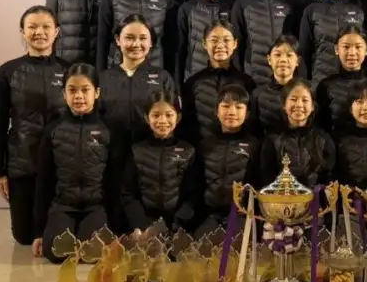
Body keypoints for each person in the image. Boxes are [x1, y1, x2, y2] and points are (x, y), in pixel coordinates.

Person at [0, 6, 66, 248]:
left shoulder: (69, 70)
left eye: (46, 27)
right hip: (23, 164)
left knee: (55, 234)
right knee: (24, 237)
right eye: (32, 27)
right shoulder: (7, 72)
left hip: (60, 166)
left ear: (57, 31)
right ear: (22, 31)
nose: (39, 32)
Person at [33, 63, 118, 263]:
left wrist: (117, 228)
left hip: (96, 206)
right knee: (55, 253)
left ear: (97, 93)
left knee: (92, 254)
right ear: (64, 94)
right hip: (63, 205)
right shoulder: (53, 130)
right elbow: (43, 181)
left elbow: (115, 182)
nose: (79, 96)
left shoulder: (109, 129)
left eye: (85, 90)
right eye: (72, 90)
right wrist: (38, 232)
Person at [121, 92, 198, 232]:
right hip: (144, 226)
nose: (162, 120)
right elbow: (128, 195)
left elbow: (193, 196)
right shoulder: (137, 151)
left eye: (169, 115)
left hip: (178, 225)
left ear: (178, 117)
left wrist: (178, 223)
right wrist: (142, 224)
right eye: (156, 115)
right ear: (146, 117)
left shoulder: (188, 151)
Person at [98, 15, 177, 151]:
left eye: (143, 38)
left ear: (151, 42)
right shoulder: (103, 78)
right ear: (118, 39)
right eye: (129, 38)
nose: (136, 44)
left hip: (151, 154)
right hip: (112, 153)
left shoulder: (162, 78)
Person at [195, 84, 261, 237]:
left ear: (247, 113)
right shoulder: (204, 145)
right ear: (216, 111)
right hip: (208, 216)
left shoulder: (255, 146)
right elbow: (195, 184)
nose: (231, 112)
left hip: (242, 215)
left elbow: (258, 185)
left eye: (239, 107)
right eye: (225, 106)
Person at [231, 0, 297, 87]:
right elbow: (237, 45)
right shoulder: (243, 4)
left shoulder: (289, 3)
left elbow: (296, 43)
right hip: (253, 78)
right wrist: (239, 77)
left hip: (285, 77)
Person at [299, 0, 365, 88]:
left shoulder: (359, 10)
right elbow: (304, 53)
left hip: (354, 86)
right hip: (320, 84)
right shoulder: (312, 10)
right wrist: (306, 86)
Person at [181, 20, 255, 141]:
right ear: (204, 44)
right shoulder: (193, 82)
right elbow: (187, 122)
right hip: (203, 148)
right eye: (214, 40)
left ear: (235, 43)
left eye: (226, 40)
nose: (220, 45)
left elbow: (252, 122)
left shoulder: (246, 82)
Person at [260, 79, 336, 189]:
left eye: (305, 100)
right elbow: (267, 177)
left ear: (312, 106)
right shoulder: (273, 138)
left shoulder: (323, 138)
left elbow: (329, 177)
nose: (299, 105)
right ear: (284, 105)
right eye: (293, 99)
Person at [177, 0, 234, 83]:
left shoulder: (234, 7)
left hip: (228, 80)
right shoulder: (187, 9)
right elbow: (180, 50)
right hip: (195, 79)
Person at [316, 25, 367, 135]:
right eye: (346, 47)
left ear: (366, 50)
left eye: (358, 47)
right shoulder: (326, 86)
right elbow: (321, 127)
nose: (352, 53)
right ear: (336, 49)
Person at [252, 34, 301, 134]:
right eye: (277, 55)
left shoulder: (307, 93)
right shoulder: (257, 95)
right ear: (269, 59)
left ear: (298, 61)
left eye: (289, 55)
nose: (283, 60)